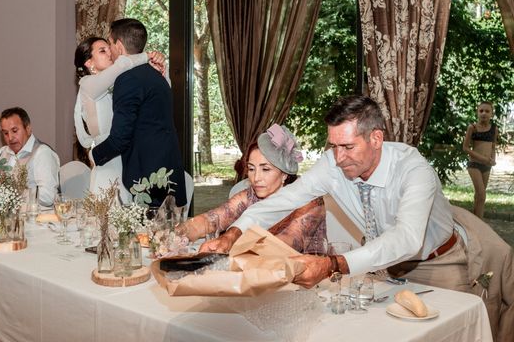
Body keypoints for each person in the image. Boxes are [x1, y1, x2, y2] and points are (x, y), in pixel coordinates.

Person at [201, 95, 470, 293]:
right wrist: (233, 234)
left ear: (376, 138)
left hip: (438, 264)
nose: (339, 158)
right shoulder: (332, 164)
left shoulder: (413, 169)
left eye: (348, 147)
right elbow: (284, 200)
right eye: (334, 146)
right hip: (380, 267)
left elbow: (407, 238)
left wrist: (332, 265)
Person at [178, 124, 326, 252]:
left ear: (285, 174)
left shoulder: (309, 201)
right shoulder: (250, 196)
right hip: (254, 274)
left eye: (265, 169)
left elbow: (286, 244)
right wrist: (175, 234)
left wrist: (229, 240)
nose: (256, 178)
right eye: (251, 168)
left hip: (306, 280)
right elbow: (211, 219)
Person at [88, 18, 186, 208]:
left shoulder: (127, 79)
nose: (109, 49)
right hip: (169, 168)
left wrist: (94, 155)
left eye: (109, 43)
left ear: (118, 45)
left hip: (149, 179)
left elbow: (120, 138)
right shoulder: (156, 76)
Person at [73, 36, 166, 202]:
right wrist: (148, 56)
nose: (110, 53)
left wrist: (157, 66)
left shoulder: (122, 82)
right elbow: (122, 64)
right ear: (89, 63)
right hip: (108, 157)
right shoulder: (88, 84)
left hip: (129, 157)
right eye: (103, 50)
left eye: (109, 48)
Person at [0, 107, 60, 207]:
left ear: (28, 129)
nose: (10, 138)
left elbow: (48, 197)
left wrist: (14, 194)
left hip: (39, 218)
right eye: (5, 133)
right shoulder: (4, 152)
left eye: (14, 131)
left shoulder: (42, 153)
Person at [463, 101, 499, 218]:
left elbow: (493, 146)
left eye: (487, 111)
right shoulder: (472, 128)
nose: (484, 113)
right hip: (474, 165)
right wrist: (482, 158)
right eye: (481, 111)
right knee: (482, 195)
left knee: (478, 197)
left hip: (487, 166)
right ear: (477, 112)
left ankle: (475, 222)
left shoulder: (494, 128)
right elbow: (465, 148)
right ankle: (481, 225)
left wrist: (492, 159)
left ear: (492, 114)